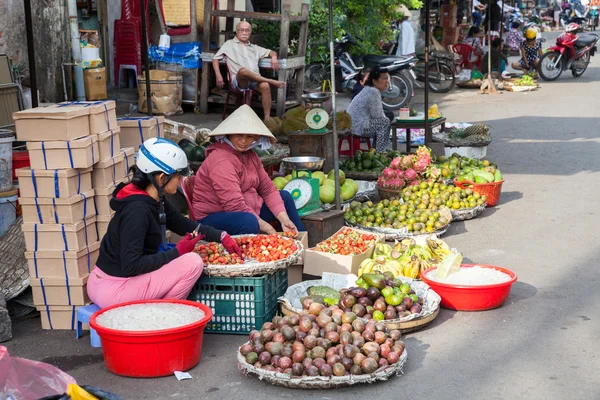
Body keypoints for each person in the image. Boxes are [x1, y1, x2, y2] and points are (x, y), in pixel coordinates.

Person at [87, 138, 242, 309]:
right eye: (178, 176)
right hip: (114, 289)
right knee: (193, 262)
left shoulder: (153, 198)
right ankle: (163, 316)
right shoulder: (137, 211)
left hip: (110, 281)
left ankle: (158, 312)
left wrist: (221, 236)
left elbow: (181, 223)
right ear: (162, 177)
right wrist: (177, 252)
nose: (181, 180)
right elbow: (131, 265)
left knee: (178, 254)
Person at [192, 105, 305, 235]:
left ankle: (300, 241)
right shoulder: (221, 161)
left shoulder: (250, 155)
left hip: (247, 208)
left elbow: (267, 189)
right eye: (239, 135)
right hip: (214, 217)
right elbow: (234, 205)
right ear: (229, 134)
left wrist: (284, 219)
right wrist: (269, 229)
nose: (244, 141)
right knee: (249, 221)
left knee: (284, 197)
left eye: (249, 136)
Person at [212, 21, 284, 121]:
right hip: (239, 81)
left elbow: (271, 52)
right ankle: (271, 81)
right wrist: (218, 76)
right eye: (242, 30)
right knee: (242, 71)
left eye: (247, 30)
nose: (244, 33)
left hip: (255, 81)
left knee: (265, 86)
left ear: (250, 32)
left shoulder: (254, 48)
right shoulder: (229, 44)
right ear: (237, 31)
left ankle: (267, 120)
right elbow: (215, 59)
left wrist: (274, 57)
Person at [347, 67, 393, 153]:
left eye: (387, 78)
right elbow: (378, 116)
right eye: (384, 78)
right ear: (374, 81)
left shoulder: (368, 89)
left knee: (385, 120)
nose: (387, 81)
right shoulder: (373, 92)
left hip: (355, 124)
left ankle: (375, 151)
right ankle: (380, 153)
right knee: (385, 122)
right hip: (358, 127)